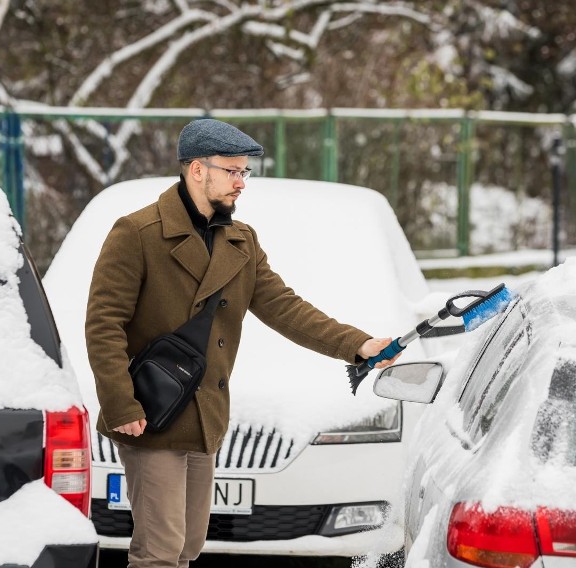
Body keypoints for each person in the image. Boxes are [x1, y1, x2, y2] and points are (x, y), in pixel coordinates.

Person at [85, 118, 400, 568]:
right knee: (159, 550)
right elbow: (103, 324)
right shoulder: (137, 233)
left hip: (203, 416)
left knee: (188, 546)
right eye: (231, 171)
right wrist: (121, 406)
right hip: (151, 413)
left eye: (244, 172)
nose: (241, 182)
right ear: (197, 169)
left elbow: (285, 309)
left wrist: (358, 344)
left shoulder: (240, 241)